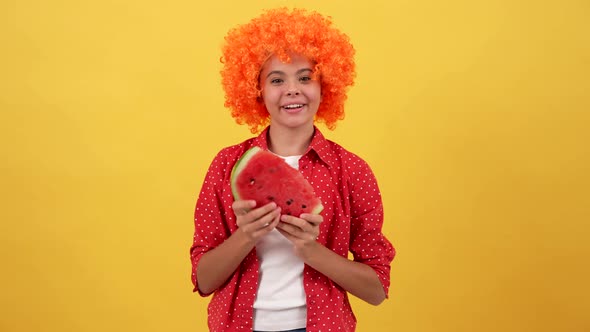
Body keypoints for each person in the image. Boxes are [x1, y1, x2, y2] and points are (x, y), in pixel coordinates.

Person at [190, 7, 395, 332]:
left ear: (326, 85)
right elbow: (203, 280)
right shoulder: (227, 165)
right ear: (256, 89)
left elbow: (377, 290)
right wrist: (247, 234)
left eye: (305, 77)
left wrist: (311, 251)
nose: (292, 89)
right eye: (276, 79)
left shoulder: (351, 171)